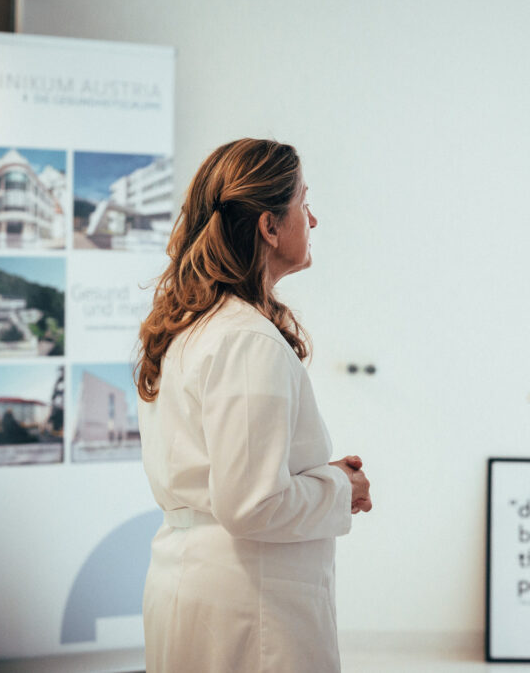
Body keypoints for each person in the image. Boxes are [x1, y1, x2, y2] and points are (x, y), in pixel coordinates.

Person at [135, 139, 372, 672]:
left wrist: (318, 475)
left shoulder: (197, 326)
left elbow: (231, 480)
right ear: (269, 226)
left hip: (201, 587)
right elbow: (251, 504)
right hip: (249, 610)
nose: (314, 219)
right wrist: (341, 487)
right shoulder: (246, 339)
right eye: (303, 203)